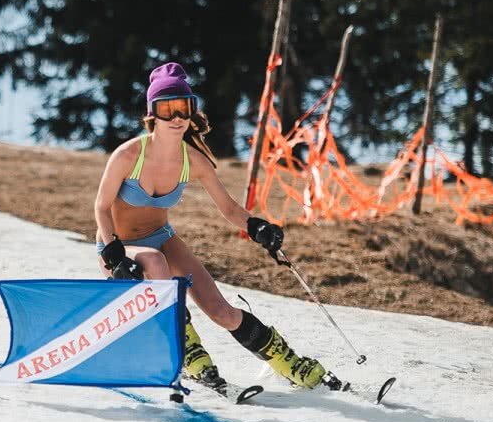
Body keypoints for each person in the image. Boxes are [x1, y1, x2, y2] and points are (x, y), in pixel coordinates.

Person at [93, 62, 344, 395]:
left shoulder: (193, 161)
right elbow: (100, 206)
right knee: (155, 263)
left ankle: (292, 364)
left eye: (183, 107)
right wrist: (113, 253)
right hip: (120, 246)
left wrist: (257, 227)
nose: (176, 117)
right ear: (152, 113)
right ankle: (191, 356)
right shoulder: (128, 155)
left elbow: (228, 209)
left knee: (222, 312)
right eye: (166, 109)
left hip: (162, 239)